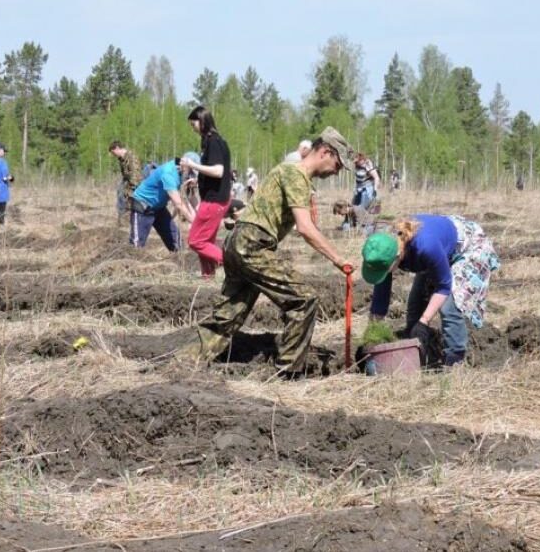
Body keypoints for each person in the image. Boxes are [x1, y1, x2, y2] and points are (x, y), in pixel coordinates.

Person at [196, 127, 355, 376]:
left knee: (226, 317)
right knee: (304, 299)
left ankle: (183, 366)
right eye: (337, 164)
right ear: (326, 152)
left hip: (237, 242)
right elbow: (305, 227)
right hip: (252, 245)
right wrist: (338, 259)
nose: (336, 172)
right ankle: (288, 372)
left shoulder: (287, 170)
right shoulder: (297, 174)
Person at [361, 215, 499, 367]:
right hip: (437, 250)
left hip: (468, 246)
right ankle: (418, 355)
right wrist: (372, 335)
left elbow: (444, 287)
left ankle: (455, 360)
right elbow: (380, 298)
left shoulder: (425, 247)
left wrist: (424, 321)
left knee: (450, 305)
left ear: (398, 256)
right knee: (415, 307)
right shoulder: (382, 250)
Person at [184, 106, 232, 278]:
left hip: (214, 201)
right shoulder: (211, 141)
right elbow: (218, 173)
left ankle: (233, 265)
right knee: (206, 242)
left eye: (193, 124)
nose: (193, 128)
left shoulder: (214, 142)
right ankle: (208, 277)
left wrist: (192, 165)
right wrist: (199, 180)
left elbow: (218, 171)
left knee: (196, 240)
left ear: (202, 121)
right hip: (215, 198)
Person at [128, 152, 197, 250]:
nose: (192, 176)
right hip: (143, 207)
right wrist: (195, 223)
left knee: (177, 244)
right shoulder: (168, 173)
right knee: (136, 247)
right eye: (191, 172)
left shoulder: (183, 173)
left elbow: (190, 199)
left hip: (159, 208)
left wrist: (199, 219)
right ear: (185, 167)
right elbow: (178, 204)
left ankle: (180, 261)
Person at [109, 140, 144, 228]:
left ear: (117, 148)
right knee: (120, 193)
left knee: (129, 200)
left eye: (113, 153)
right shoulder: (121, 159)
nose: (113, 155)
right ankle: (123, 221)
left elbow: (136, 175)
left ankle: (129, 222)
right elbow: (125, 174)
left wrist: (130, 188)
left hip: (134, 183)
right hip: (127, 181)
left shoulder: (131, 157)